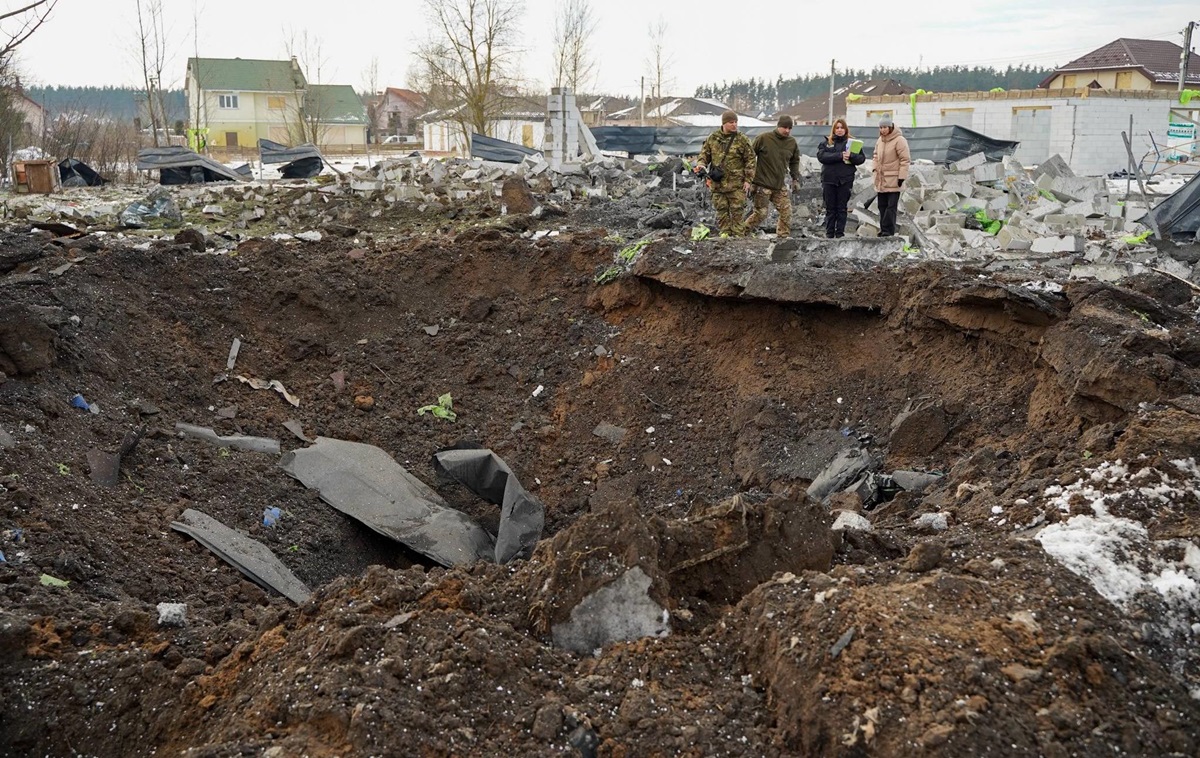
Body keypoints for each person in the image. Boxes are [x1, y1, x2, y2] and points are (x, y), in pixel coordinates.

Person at [694, 110, 756, 237]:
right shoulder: (713, 138)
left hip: (736, 185)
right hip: (718, 184)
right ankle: (725, 238)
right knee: (721, 212)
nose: (734, 125)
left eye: (736, 122)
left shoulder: (742, 140)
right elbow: (704, 155)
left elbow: (750, 161)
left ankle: (738, 239)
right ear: (724, 123)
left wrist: (748, 180)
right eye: (731, 122)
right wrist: (701, 165)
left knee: (737, 212)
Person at [745, 115, 801, 237]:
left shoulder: (792, 143)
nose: (787, 130)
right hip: (762, 184)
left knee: (786, 212)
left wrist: (795, 178)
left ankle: (782, 238)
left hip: (779, 185)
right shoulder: (764, 138)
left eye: (789, 128)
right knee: (761, 213)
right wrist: (749, 179)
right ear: (778, 126)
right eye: (784, 127)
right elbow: (749, 156)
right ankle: (743, 232)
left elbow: (794, 161)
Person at [816, 118, 865, 238]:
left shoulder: (852, 143)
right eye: (837, 128)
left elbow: (861, 158)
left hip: (845, 180)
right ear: (833, 129)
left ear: (846, 129)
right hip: (829, 180)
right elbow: (821, 156)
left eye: (842, 127)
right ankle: (829, 234)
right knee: (830, 208)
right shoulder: (826, 143)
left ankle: (840, 234)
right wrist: (839, 156)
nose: (839, 130)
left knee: (842, 208)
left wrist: (851, 156)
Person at [871, 115, 910, 237]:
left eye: (885, 127)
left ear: (890, 127)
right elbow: (875, 156)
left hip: (894, 179)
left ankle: (888, 231)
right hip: (881, 179)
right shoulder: (880, 141)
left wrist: (901, 177)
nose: (882, 130)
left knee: (891, 207)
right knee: (881, 206)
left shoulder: (899, 140)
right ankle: (883, 230)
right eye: (881, 127)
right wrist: (874, 168)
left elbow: (905, 159)